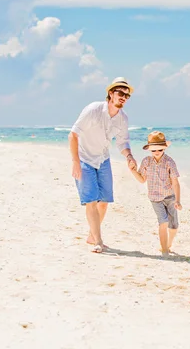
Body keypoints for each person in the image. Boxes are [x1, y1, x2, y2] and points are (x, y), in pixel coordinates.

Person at [68, 77, 138, 253]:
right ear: (111, 93)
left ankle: (92, 235)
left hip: (103, 159)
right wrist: (75, 162)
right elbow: (73, 135)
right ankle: (98, 240)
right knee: (91, 200)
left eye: (126, 95)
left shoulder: (122, 118)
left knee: (104, 202)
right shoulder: (93, 110)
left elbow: (122, 142)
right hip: (84, 158)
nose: (123, 97)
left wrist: (129, 156)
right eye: (120, 93)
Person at [130, 131, 182, 256]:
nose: (157, 152)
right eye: (153, 150)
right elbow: (142, 180)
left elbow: (175, 182)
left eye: (160, 149)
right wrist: (132, 171)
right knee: (163, 222)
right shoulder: (146, 161)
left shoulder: (170, 162)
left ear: (164, 148)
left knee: (174, 226)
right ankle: (164, 250)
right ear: (149, 150)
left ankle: (168, 244)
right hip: (155, 198)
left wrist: (178, 200)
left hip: (170, 196)